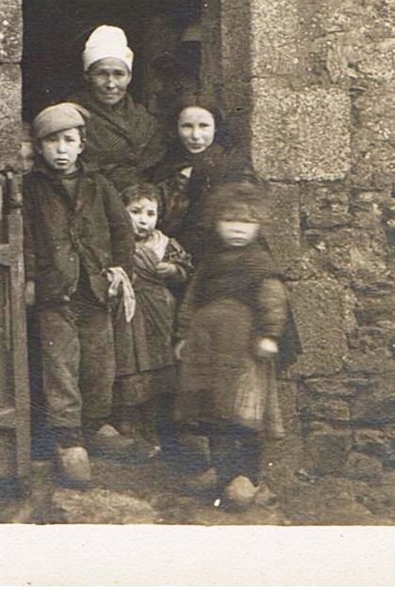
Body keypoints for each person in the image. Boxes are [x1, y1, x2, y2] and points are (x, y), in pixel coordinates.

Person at [20, 101, 138, 486]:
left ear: (82, 144)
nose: (61, 149)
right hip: (56, 291)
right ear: (39, 148)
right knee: (61, 366)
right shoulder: (33, 189)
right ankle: (68, 439)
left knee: (99, 364)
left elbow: (122, 230)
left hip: (95, 288)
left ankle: (96, 425)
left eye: (68, 140)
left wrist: (121, 269)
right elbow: (28, 238)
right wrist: (32, 279)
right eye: (51, 142)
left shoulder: (98, 185)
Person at [172, 181, 290, 511]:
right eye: (229, 221)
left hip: (243, 353)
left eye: (246, 222)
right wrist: (183, 335)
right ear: (216, 223)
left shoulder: (259, 263)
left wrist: (269, 335)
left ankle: (246, 477)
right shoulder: (210, 262)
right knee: (213, 410)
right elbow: (193, 297)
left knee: (242, 413)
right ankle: (222, 473)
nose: (237, 229)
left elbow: (274, 300)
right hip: (207, 348)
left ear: (258, 226)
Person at [110, 182, 193, 459]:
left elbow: (185, 271)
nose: (143, 220)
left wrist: (172, 269)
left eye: (150, 213)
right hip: (129, 314)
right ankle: (130, 427)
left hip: (159, 312)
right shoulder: (116, 243)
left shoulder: (164, 244)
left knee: (159, 366)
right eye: (135, 212)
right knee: (131, 365)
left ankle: (157, 428)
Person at [148, 98, 252, 258]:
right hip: (174, 256)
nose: (195, 136)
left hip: (218, 255)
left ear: (216, 128)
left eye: (204, 126)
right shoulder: (165, 166)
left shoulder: (231, 167)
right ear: (176, 128)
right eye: (187, 126)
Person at [70, 25, 166, 193]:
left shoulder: (145, 120)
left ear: (129, 77)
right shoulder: (71, 117)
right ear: (87, 76)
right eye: (102, 74)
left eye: (119, 74)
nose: (111, 84)